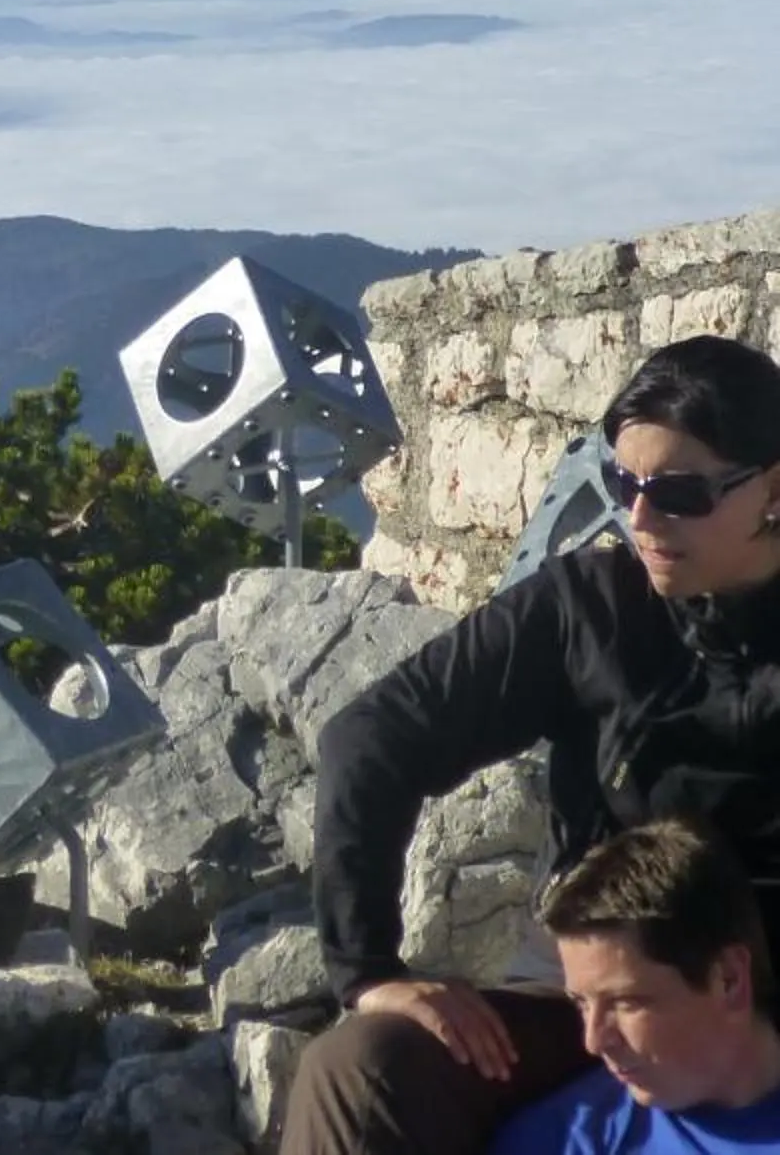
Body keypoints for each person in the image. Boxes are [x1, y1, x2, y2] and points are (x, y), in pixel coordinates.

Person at [283, 336, 780, 1155]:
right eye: (626, 484)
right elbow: (370, 740)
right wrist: (369, 974)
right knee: (364, 1069)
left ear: (772, 489)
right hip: (597, 993)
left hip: (750, 1000)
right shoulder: (590, 609)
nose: (642, 519)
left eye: (681, 493)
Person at [486, 819, 780, 1154]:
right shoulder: (561, 1142)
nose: (594, 1042)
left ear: (729, 980)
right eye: (581, 1003)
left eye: (626, 1002)